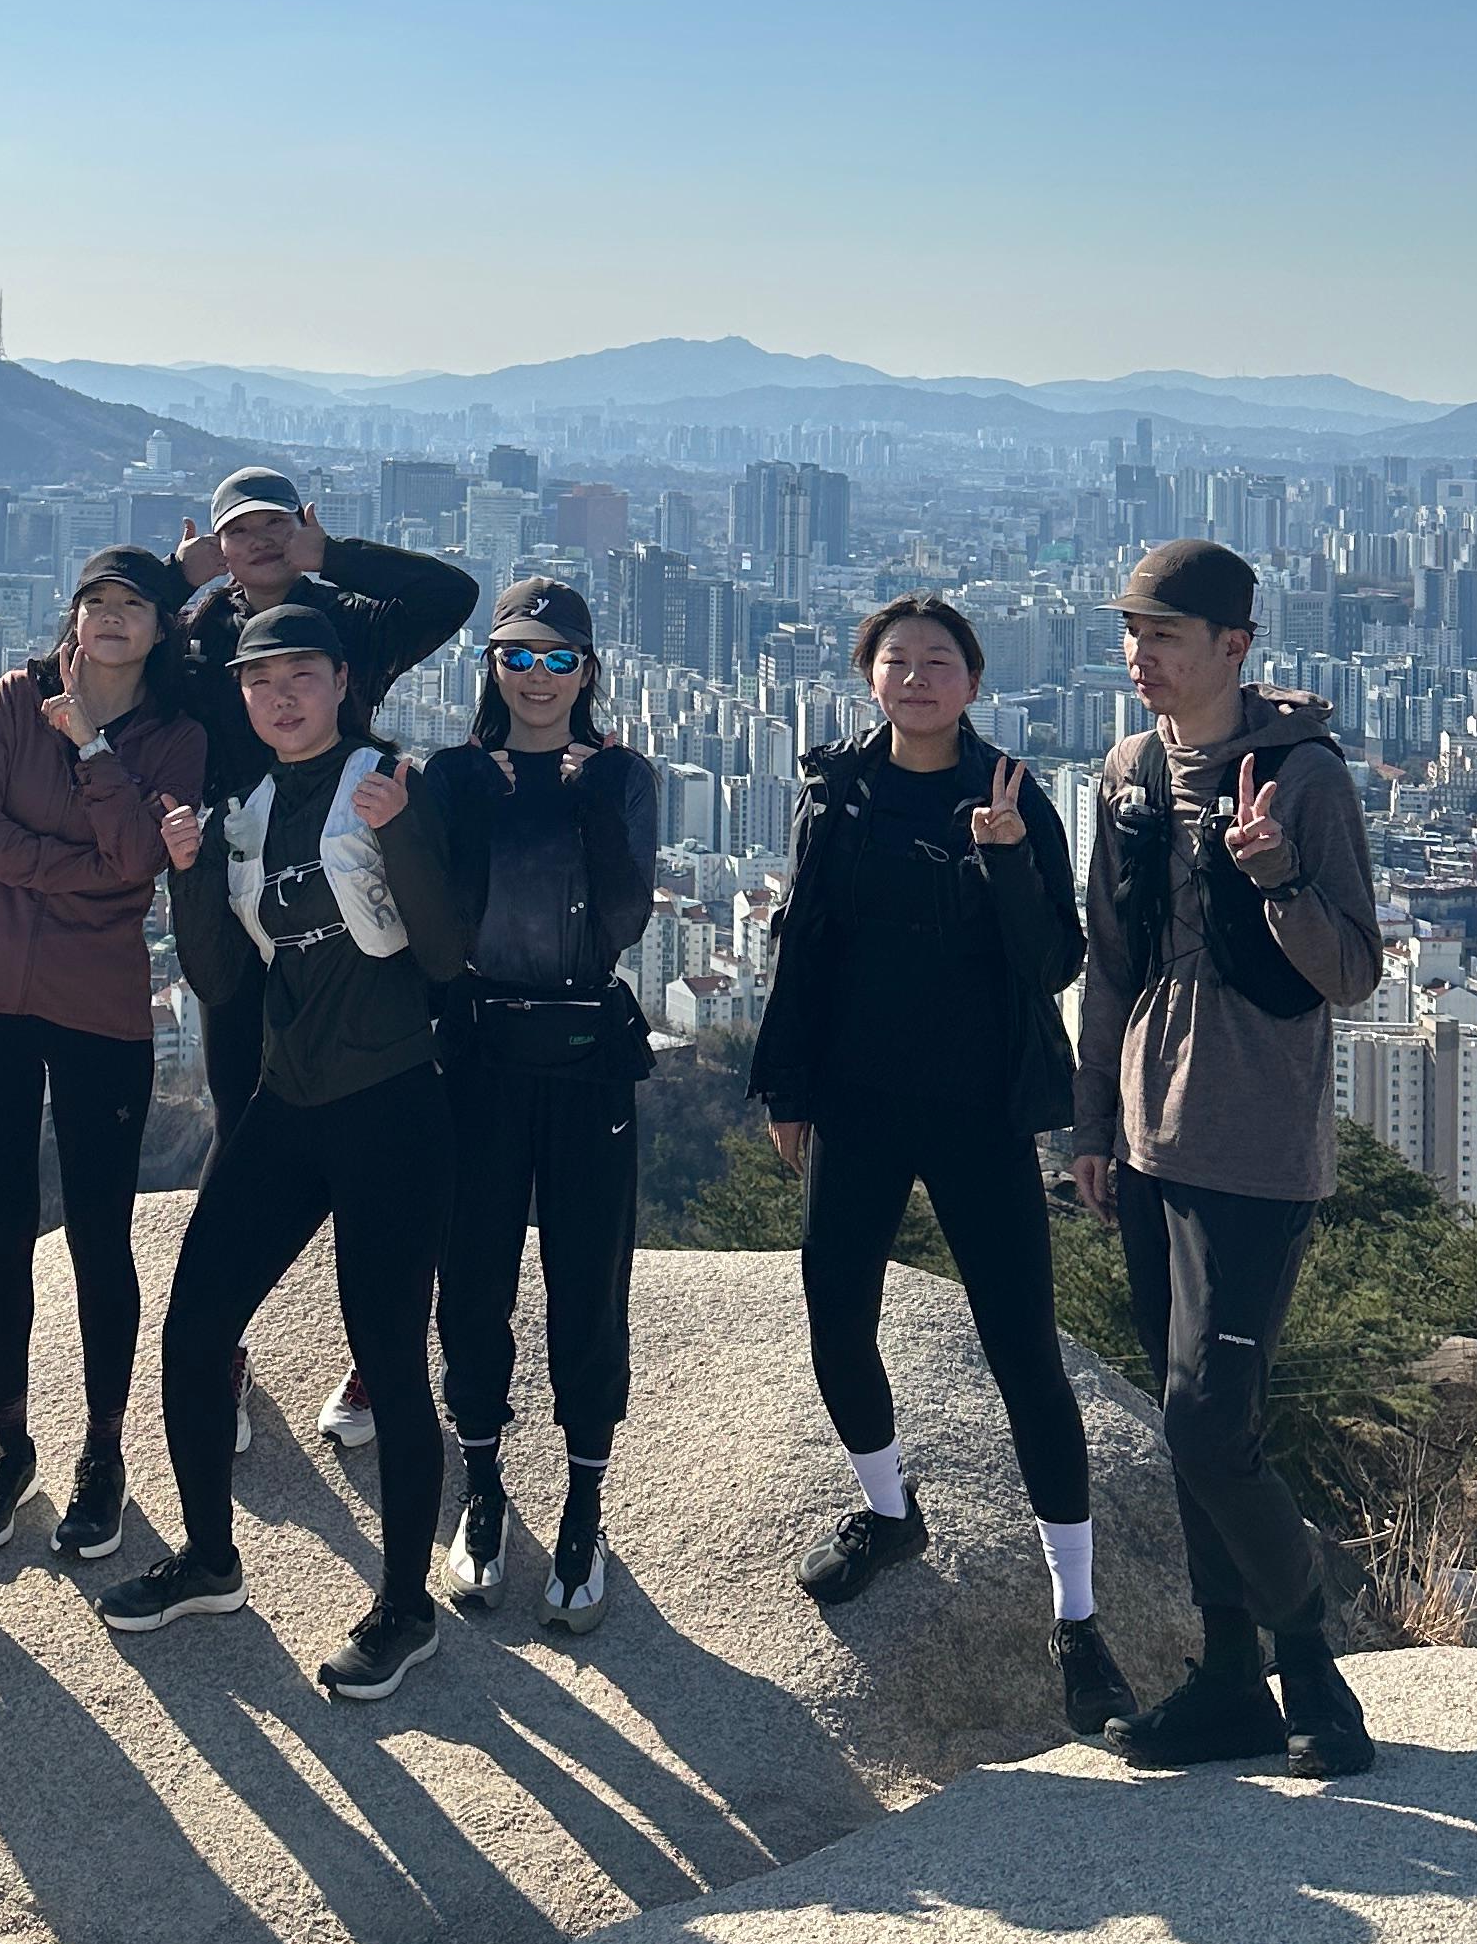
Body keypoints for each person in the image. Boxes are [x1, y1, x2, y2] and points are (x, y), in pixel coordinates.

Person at [746, 594, 1139, 1744]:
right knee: (835, 1321)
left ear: (973, 680)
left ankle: (1078, 1617)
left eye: (938, 661)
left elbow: (1054, 959)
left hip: (977, 1113)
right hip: (856, 1103)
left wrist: (1007, 858)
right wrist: (787, 1087)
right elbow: (805, 943)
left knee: (1026, 1357)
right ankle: (888, 1510)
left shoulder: (1013, 791)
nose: (915, 677)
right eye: (896, 660)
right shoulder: (837, 788)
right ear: (868, 676)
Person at [98, 601, 470, 1701]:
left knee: (390, 1356)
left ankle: (406, 1608)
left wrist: (403, 832)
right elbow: (221, 979)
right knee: (194, 1329)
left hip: (394, 1103)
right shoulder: (248, 811)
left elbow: (446, 953)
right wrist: (188, 871)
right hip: (289, 1102)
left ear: (344, 682)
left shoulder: (390, 784)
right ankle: (210, 1559)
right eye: (261, 681)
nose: (281, 697)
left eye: (302, 675)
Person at [1073, 540, 1386, 1782]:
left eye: (1164, 635)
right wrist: (1092, 1128)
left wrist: (1278, 877)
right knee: (1182, 1417)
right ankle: (1224, 1681)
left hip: (1256, 1141)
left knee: (1213, 1422)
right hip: (1149, 1136)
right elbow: (1111, 960)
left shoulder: (1304, 777)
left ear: (1234, 647)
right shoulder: (1129, 772)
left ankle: (1310, 1666)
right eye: (1132, 634)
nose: (1140, 655)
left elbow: (1352, 972)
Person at [172, 468, 475, 1450]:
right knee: (241, 1108)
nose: (258, 541)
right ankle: (221, 1344)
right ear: (218, 546)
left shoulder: (349, 619)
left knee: (375, 1129)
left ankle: (380, 1354)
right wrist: (176, 581)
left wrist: (330, 554)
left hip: (355, 886)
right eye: (239, 530)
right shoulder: (201, 635)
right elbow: (95, 647)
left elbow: (451, 596)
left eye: (276, 524)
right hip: (247, 888)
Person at [399, 579, 657, 1638]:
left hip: (587, 1054)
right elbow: (440, 923)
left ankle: (584, 1503)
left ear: (588, 672)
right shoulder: (455, 774)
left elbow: (625, 917)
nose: (537, 677)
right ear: (491, 666)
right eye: (517, 655)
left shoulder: (625, 775)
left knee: (589, 1285)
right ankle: (485, 1489)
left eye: (558, 658)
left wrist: (583, 802)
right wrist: (465, 809)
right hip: (480, 1054)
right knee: (472, 1281)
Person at [0, 545, 205, 1562]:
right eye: (97, 600)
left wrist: (92, 746)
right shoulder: (15, 698)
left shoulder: (175, 737)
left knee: (100, 1234)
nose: (112, 617)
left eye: (134, 604)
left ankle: (103, 1449)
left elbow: (140, 861)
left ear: (161, 628)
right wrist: (83, 867)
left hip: (100, 1006)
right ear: (74, 615)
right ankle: (9, 1446)